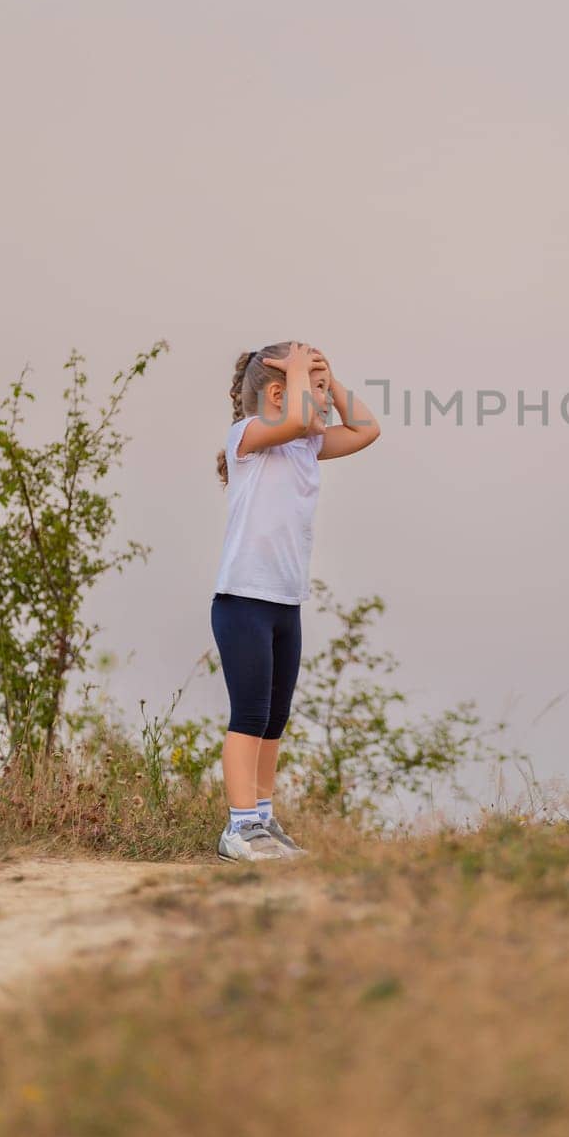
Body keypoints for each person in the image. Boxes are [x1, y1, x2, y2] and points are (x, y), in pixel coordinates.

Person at [211, 341, 381, 862]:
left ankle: (262, 820)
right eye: (317, 388)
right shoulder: (249, 438)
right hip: (243, 601)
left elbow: (367, 429)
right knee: (250, 714)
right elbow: (305, 415)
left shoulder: (305, 447)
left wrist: (332, 374)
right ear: (280, 393)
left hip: (285, 603)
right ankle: (238, 829)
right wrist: (308, 376)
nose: (326, 401)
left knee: (274, 720)